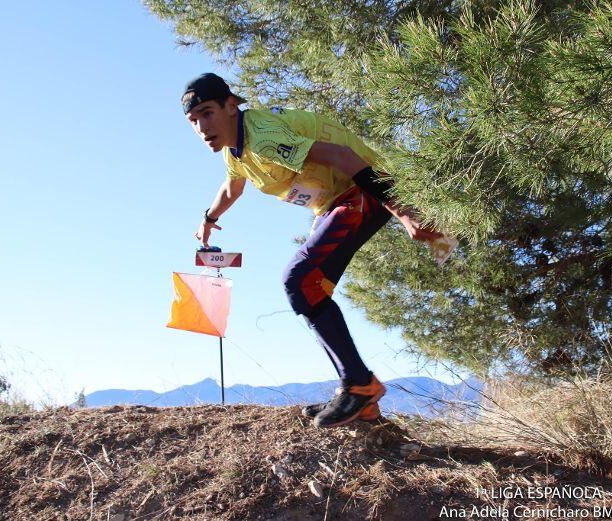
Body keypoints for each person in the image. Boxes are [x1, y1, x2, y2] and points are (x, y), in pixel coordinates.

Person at [182, 73, 442, 428]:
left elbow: (343, 156)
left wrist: (404, 211)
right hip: (339, 201)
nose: (201, 127)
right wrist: (209, 218)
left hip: (363, 191)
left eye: (207, 113)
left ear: (231, 106)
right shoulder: (236, 146)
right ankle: (360, 396)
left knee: (300, 280)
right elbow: (233, 184)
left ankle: (359, 386)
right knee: (307, 288)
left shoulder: (264, 137)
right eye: (193, 120)